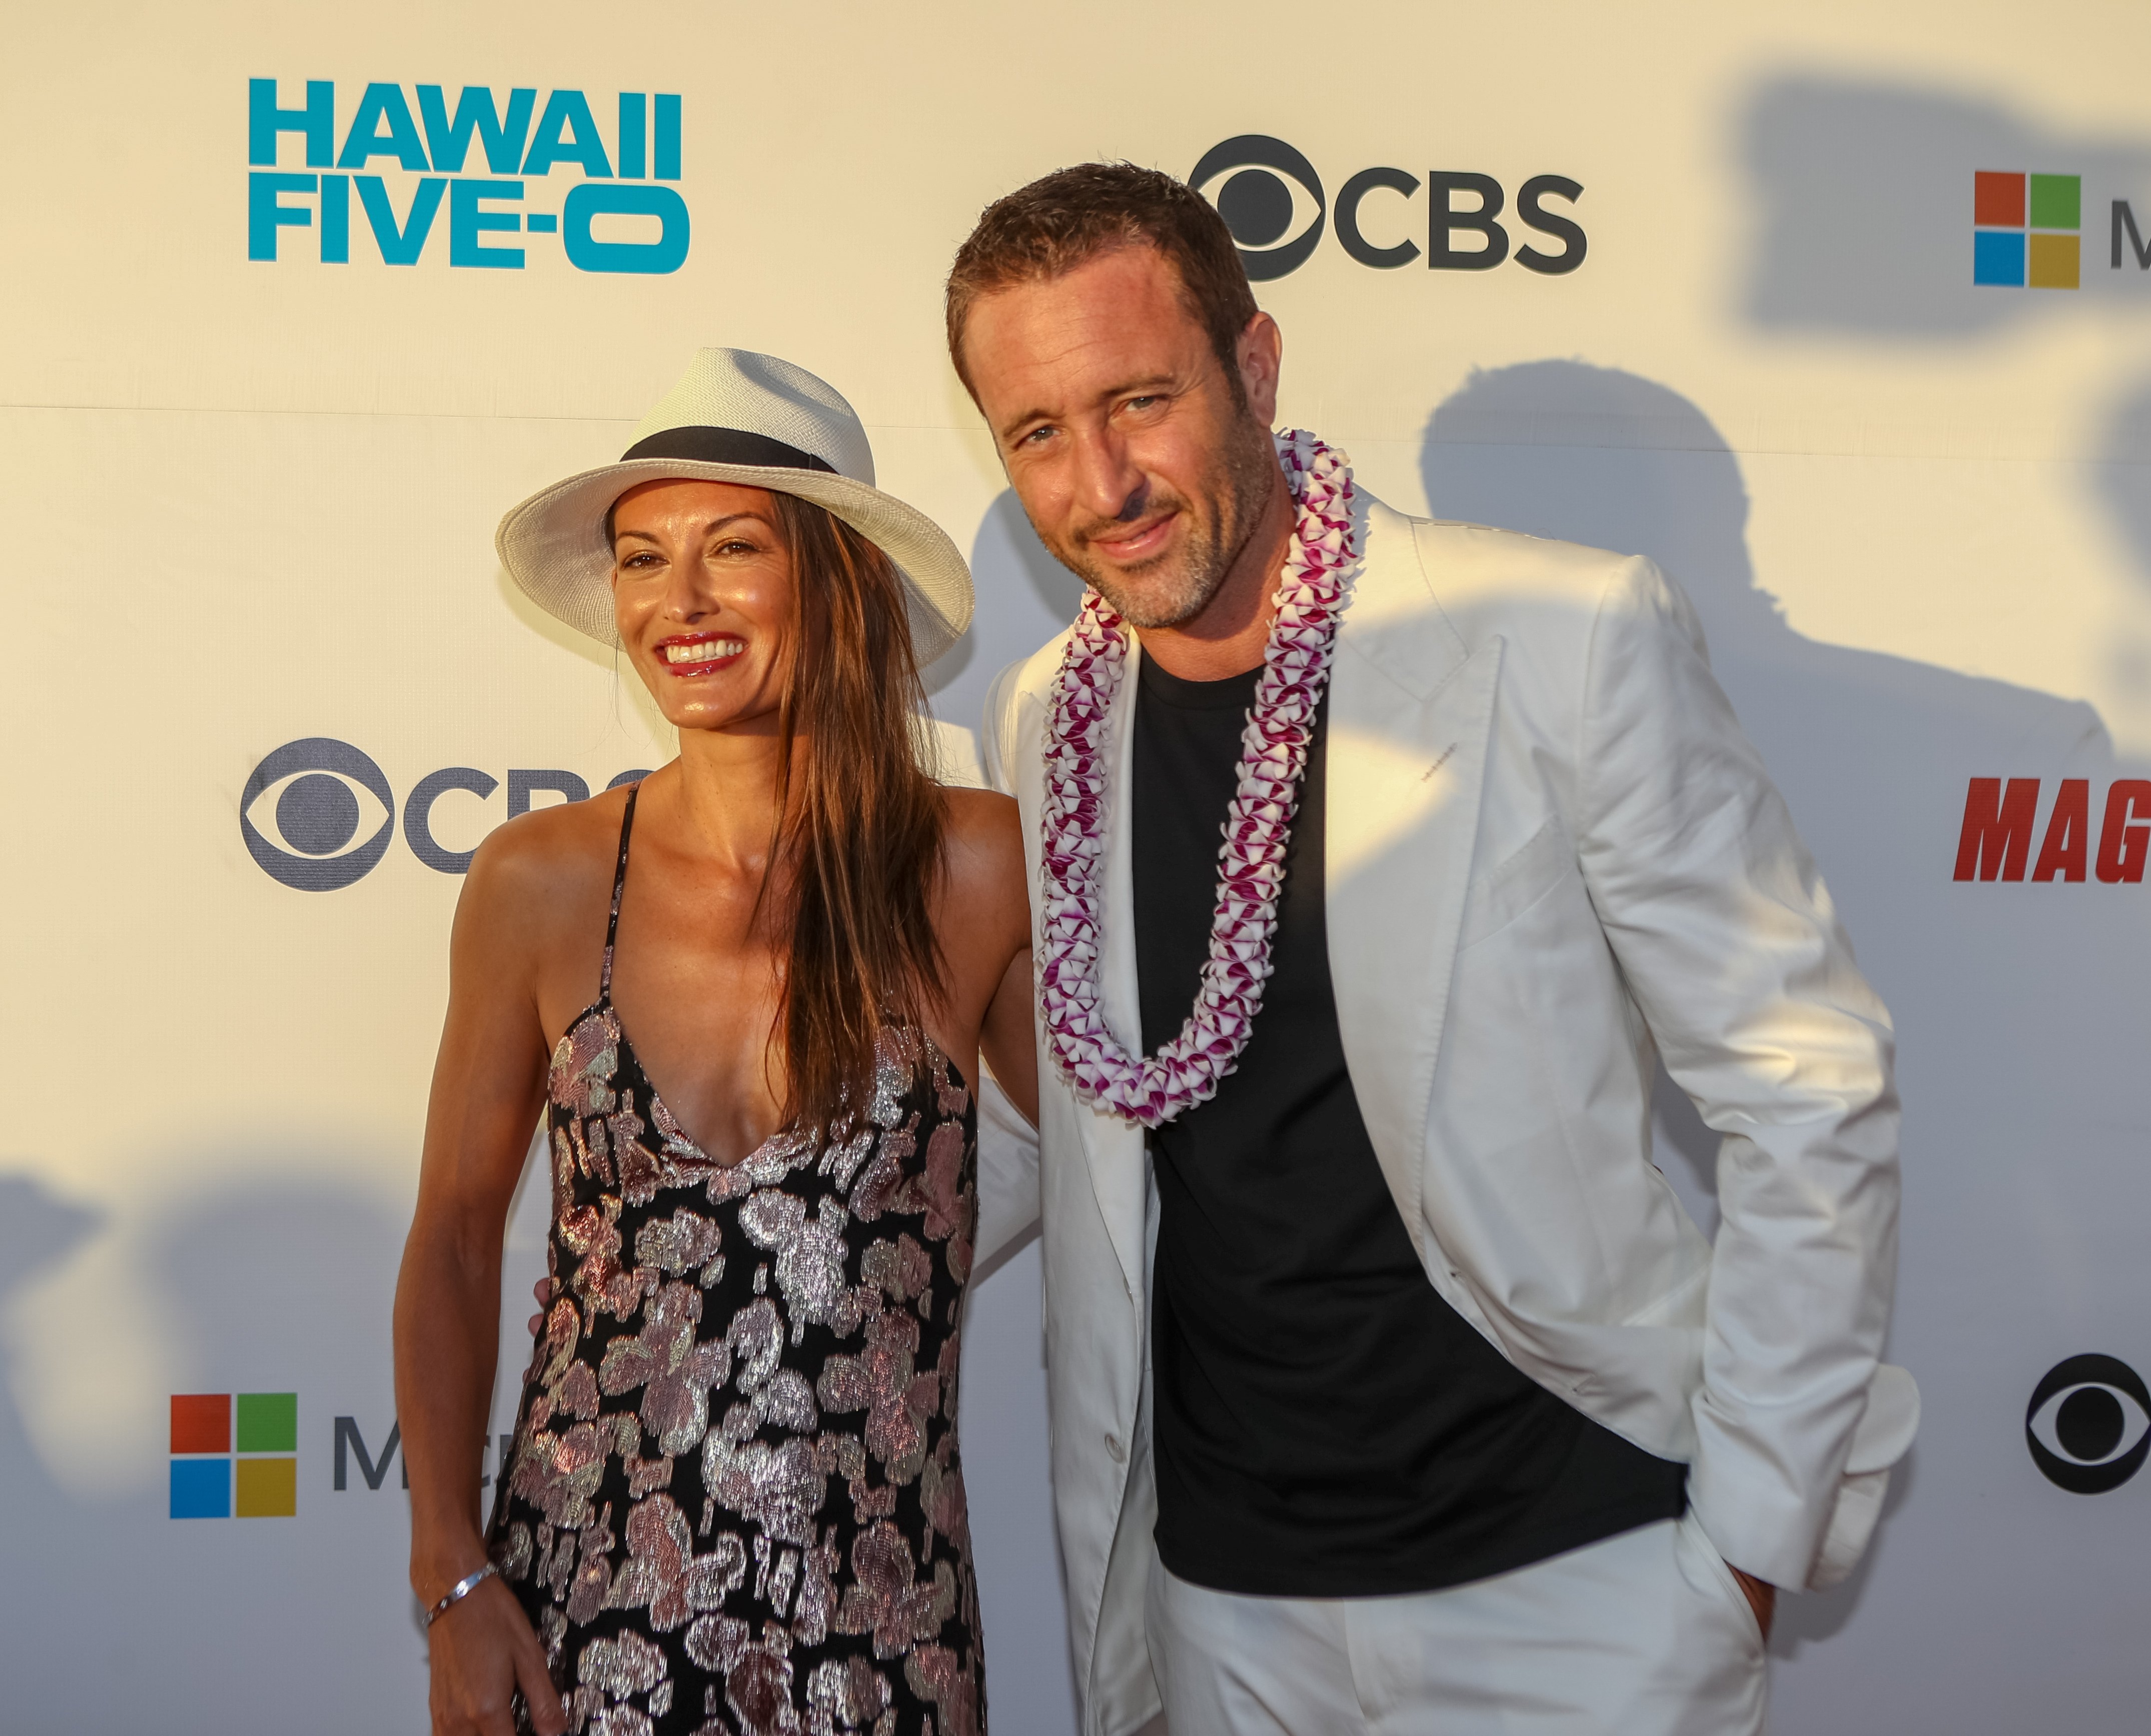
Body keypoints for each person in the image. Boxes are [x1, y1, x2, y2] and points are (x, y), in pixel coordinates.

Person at [949, 165, 1917, 1735]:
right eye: (1037, 433)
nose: (1101, 482)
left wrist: (1746, 1538)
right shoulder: (1048, 713)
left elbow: (1803, 1080)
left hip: (1577, 1580)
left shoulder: (1557, 632)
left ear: (1253, 370)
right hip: (1223, 1605)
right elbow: (1079, 1111)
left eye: (1140, 401)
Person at [392, 348, 1035, 1736]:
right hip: (576, 1622)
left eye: (732, 548)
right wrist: (451, 1575)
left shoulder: (981, 869)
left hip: (882, 1627)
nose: (676, 603)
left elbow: (1135, 1206)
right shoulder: (539, 880)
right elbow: (451, 1233)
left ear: (840, 577)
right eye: (640, 558)